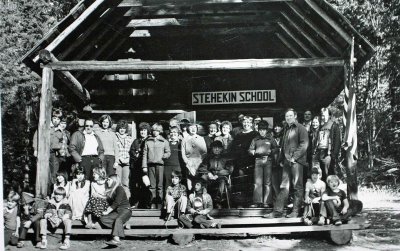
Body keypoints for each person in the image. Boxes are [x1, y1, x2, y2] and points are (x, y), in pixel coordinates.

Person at [264, 108, 309, 218]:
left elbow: (304, 144)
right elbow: (283, 146)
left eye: (290, 116)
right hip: (286, 161)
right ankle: (277, 211)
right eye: (286, 116)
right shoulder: (286, 129)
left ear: (295, 116)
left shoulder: (301, 128)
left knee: (297, 186)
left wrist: (295, 157)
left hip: (296, 162)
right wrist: (281, 160)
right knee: (284, 185)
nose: (288, 118)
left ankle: (295, 211)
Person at [33, 109, 65, 191]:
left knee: (54, 173)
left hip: (53, 154)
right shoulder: (45, 126)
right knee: (43, 173)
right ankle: (43, 191)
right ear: (51, 118)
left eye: (58, 119)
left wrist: (59, 147)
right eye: (54, 118)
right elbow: (36, 137)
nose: (56, 120)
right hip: (43, 152)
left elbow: (62, 141)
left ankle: (53, 192)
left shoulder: (60, 131)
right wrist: (36, 150)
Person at [248, 120, 279, 208]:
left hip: (268, 160)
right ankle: (258, 201)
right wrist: (253, 152)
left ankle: (267, 202)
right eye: (260, 130)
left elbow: (276, 148)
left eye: (264, 130)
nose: (262, 131)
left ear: (267, 130)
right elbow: (249, 150)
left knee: (267, 182)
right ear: (258, 130)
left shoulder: (270, 139)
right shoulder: (255, 139)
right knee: (257, 182)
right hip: (258, 161)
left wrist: (270, 151)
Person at [142, 123, 171, 209]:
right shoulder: (148, 141)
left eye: (157, 131)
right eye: (154, 130)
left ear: (160, 131)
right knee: (152, 186)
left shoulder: (164, 141)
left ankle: (159, 203)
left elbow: (168, 152)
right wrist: (144, 166)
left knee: (160, 186)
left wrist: (163, 156)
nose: (155, 132)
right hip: (150, 165)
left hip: (160, 165)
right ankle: (152, 203)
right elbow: (144, 154)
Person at [198, 140, 233, 208]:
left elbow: (229, 169)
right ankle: (204, 201)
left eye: (219, 148)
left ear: (222, 149)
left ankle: (217, 201)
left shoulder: (226, 157)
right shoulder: (208, 157)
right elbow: (202, 168)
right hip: (210, 176)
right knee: (203, 178)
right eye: (215, 147)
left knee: (222, 181)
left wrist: (218, 175)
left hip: (221, 176)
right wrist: (209, 173)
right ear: (212, 149)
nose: (217, 149)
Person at [100, 174, 132, 247]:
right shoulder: (110, 190)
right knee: (103, 219)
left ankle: (116, 239)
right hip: (116, 212)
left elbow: (116, 203)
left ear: (114, 180)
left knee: (118, 219)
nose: (107, 181)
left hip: (125, 210)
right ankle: (122, 226)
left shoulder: (119, 188)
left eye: (109, 180)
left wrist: (107, 211)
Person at [129, 122, 151, 208]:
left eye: (144, 130)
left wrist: (141, 154)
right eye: (141, 130)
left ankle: (146, 203)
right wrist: (135, 154)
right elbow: (132, 151)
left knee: (146, 185)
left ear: (148, 131)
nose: (142, 132)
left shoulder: (149, 140)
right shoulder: (136, 141)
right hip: (136, 167)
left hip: (145, 166)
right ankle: (136, 203)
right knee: (136, 186)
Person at [317, 108, 341, 182]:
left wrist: (334, 155)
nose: (323, 117)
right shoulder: (321, 126)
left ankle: (332, 190)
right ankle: (325, 190)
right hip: (321, 153)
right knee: (323, 173)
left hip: (329, 154)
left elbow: (337, 141)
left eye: (325, 115)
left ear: (329, 115)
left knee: (329, 173)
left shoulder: (334, 125)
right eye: (322, 115)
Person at [181, 122, 207, 191]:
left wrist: (201, 163)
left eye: (195, 127)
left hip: (199, 163)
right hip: (189, 163)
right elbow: (183, 154)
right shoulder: (184, 140)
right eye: (191, 127)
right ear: (188, 128)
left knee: (199, 183)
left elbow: (204, 152)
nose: (193, 129)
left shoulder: (201, 138)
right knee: (190, 184)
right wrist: (188, 163)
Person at [115, 120, 134, 199]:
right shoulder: (115, 137)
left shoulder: (130, 138)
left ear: (126, 129)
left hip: (127, 163)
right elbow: (115, 149)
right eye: (120, 128)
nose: (122, 130)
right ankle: (118, 200)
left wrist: (127, 159)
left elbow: (131, 151)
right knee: (118, 182)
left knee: (125, 182)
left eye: (123, 128)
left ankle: (126, 200)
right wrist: (119, 158)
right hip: (118, 162)